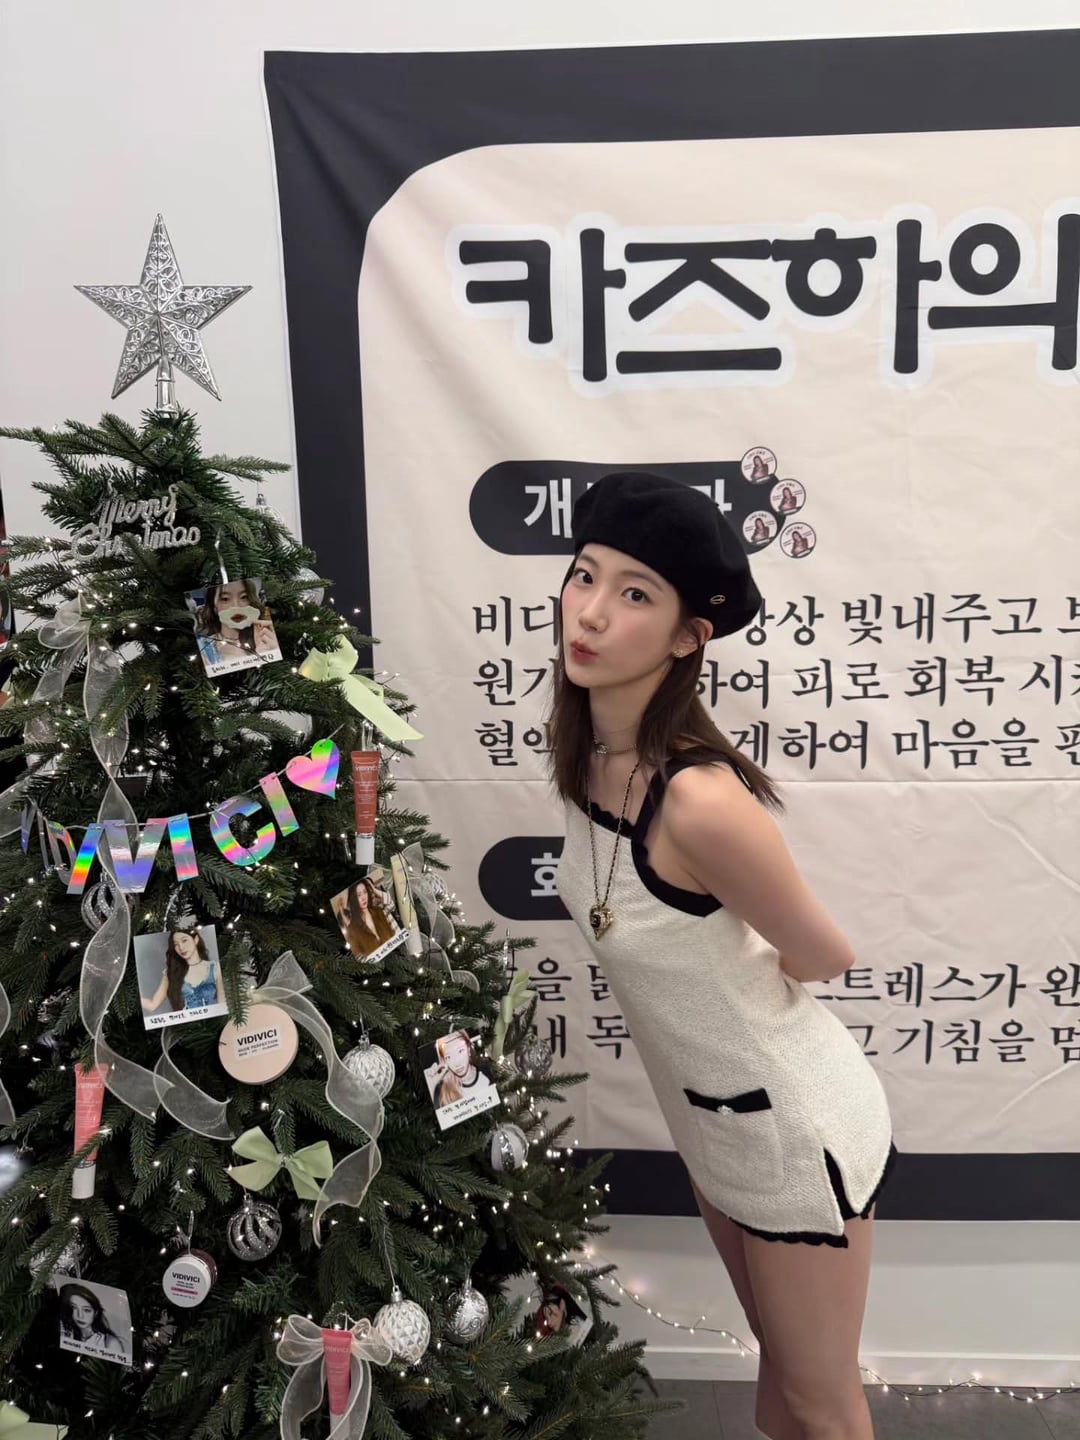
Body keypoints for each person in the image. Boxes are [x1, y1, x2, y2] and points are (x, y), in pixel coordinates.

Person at [548, 472, 896, 1440]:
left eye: (634, 594)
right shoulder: (587, 757)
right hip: (713, 1122)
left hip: (791, 1128)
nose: (590, 611)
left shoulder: (697, 802)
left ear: (687, 637)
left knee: (822, 1405)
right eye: (585, 575)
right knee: (780, 1390)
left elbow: (822, 953)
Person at [193, 578, 278, 669]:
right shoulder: (203, 648)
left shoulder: (266, 638)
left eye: (244, 597)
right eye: (225, 599)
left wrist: (269, 654)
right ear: (214, 607)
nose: (236, 606)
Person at [140, 928, 224, 1015]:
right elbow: (152, 1005)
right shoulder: (171, 973)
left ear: (196, 939)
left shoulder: (214, 968)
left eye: (184, 940)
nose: (181, 947)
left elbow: (223, 1004)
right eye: (176, 944)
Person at [334, 877, 400, 959]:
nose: (363, 897)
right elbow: (360, 957)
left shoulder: (380, 911)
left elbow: (391, 904)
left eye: (365, 892)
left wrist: (374, 890)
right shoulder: (353, 929)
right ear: (354, 899)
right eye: (359, 895)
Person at [58, 1283, 126, 1358]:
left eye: (87, 1310)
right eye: (74, 1308)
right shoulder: (65, 1334)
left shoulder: (110, 1343)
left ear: (96, 1313)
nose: (80, 1316)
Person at [428, 1030, 485, 1108]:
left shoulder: (486, 1074)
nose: (456, 1063)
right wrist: (431, 1087)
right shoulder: (441, 1093)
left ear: (468, 1049)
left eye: (460, 1051)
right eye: (448, 1057)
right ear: (444, 1061)